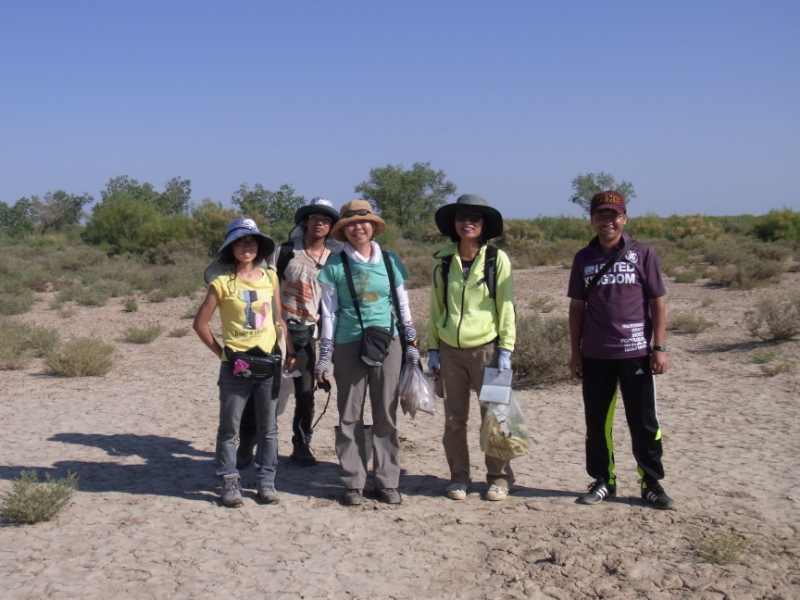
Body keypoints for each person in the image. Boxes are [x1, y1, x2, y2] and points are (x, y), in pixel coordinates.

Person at [567, 191, 675, 509]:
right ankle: (603, 481)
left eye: (614, 215)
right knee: (597, 423)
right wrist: (576, 352)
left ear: (624, 218)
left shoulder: (642, 254)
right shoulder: (583, 258)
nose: (608, 221)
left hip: (637, 353)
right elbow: (577, 307)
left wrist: (660, 347)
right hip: (596, 355)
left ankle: (651, 483)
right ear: (592, 220)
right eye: (601, 215)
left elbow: (657, 300)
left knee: (643, 422)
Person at [314, 200, 419, 506]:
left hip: (389, 342)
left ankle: (387, 481)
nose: (358, 228)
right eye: (351, 224)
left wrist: (411, 345)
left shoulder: (390, 261)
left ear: (373, 226)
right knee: (349, 415)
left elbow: (403, 306)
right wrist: (325, 354)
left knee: (386, 412)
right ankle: (352, 482)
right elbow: (329, 313)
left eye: (364, 222)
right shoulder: (334, 265)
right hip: (348, 344)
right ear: (344, 230)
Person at [194, 218, 296, 508]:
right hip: (235, 366)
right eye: (240, 242)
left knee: (269, 427)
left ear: (259, 247)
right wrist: (222, 353)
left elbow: (277, 319)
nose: (247, 246)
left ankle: (266, 481)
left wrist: (288, 351)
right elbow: (200, 324)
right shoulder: (221, 283)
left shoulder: (270, 278)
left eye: (251, 241)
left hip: (268, 362)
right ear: (231, 249)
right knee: (230, 428)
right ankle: (229, 480)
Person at [237, 198, 341, 468]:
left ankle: (301, 444)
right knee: (262, 388)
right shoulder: (283, 253)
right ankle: (247, 442)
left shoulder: (335, 259)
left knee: (306, 393)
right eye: (315, 217)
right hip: (275, 332)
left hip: (309, 334)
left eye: (327, 219)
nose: (320, 223)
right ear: (304, 221)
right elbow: (262, 289)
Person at [427, 194, 516, 502]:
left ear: (483, 225)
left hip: (488, 352)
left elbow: (506, 307)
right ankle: (459, 476)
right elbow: (436, 308)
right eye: (462, 217)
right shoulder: (443, 260)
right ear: (454, 224)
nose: (468, 222)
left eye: (474, 218)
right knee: (454, 420)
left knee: (495, 416)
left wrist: (506, 349)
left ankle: (499, 477)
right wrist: (433, 349)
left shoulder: (496, 260)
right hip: (451, 353)